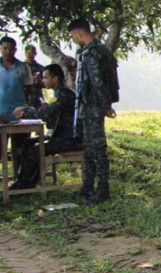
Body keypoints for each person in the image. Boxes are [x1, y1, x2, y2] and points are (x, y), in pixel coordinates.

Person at [10, 64, 81, 189]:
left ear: (55, 79)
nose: (43, 81)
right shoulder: (58, 93)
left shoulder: (65, 94)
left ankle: (24, 183)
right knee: (28, 143)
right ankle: (28, 180)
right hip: (60, 135)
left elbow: (46, 113)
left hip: (70, 138)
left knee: (36, 149)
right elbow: (50, 115)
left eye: (45, 78)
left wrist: (25, 111)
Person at [68, 19, 113, 205]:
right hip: (87, 107)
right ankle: (87, 188)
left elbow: (98, 83)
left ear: (79, 33)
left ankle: (102, 190)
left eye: (73, 36)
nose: (74, 39)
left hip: (94, 108)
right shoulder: (91, 51)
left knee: (98, 149)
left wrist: (105, 106)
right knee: (88, 150)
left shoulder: (93, 53)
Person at [1, 36, 33, 116]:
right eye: (5, 48)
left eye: (11, 49)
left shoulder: (24, 67)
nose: (8, 51)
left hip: (18, 112)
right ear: (0, 48)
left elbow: (28, 89)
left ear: (15, 50)